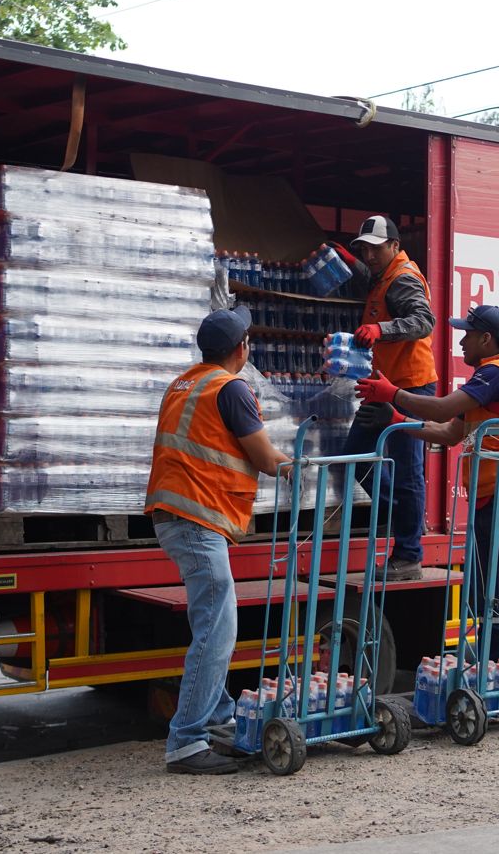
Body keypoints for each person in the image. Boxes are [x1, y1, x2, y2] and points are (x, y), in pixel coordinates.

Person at [354, 304, 499, 681]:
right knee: (490, 600)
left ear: (486, 339)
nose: (460, 340)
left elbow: (441, 410)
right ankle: (493, 678)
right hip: (493, 500)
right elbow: (450, 433)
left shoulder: (497, 373)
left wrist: (395, 395)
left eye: (467, 334)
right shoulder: (489, 381)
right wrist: (398, 422)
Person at [145, 305, 291, 775]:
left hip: (177, 514)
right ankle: (186, 742)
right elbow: (266, 458)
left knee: (212, 624)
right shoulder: (231, 389)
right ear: (241, 348)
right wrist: (299, 462)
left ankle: (222, 719)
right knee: (218, 630)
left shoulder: (185, 382)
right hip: (196, 517)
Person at [332, 215, 437, 582]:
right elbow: (375, 281)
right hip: (383, 387)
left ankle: (408, 556)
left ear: (393, 246)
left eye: (376, 249)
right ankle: (405, 519)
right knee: (356, 457)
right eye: (365, 250)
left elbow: (424, 321)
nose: (371, 256)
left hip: (409, 389)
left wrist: (381, 329)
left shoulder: (404, 277)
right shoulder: (384, 274)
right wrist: (350, 261)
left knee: (407, 474)